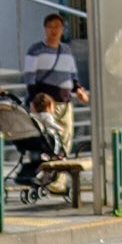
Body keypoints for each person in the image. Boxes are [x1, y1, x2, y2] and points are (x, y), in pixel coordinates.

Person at [24, 13, 88, 197]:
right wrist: (36, 102)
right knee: (50, 142)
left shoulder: (66, 50)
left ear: (62, 30)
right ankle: (49, 178)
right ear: (45, 29)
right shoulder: (36, 50)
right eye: (50, 26)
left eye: (57, 27)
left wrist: (79, 90)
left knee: (65, 139)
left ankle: (57, 180)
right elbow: (29, 77)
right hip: (45, 106)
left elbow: (73, 76)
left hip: (65, 101)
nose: (54, 30)